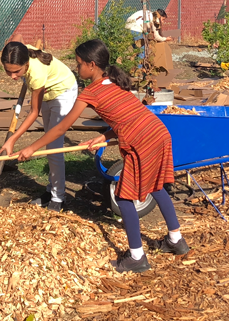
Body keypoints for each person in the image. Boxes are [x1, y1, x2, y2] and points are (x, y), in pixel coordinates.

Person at [13, 39, 188, 273]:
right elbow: (126, 116)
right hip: (157, 132)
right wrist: (104, 136)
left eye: (79, 64)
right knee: (156, 187)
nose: (77, 69)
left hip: (143, 141)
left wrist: (32, 147)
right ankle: (176, 241)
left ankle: (137, 257)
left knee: (124, 198)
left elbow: (61, 128)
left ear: (92, 65)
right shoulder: (112, 83)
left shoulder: (91, 92)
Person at [0, 38, 78, 212]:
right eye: (8, 71)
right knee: (50, 144)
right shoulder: (20, 52)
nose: (13, 77)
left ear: (26, 64)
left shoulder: (36, 73)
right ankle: (51, 191)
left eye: (17, 72)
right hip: (47, 91)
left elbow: (34, 113)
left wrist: (12, 139)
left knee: (53, 146)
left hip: (63, 91)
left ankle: (58, 198)